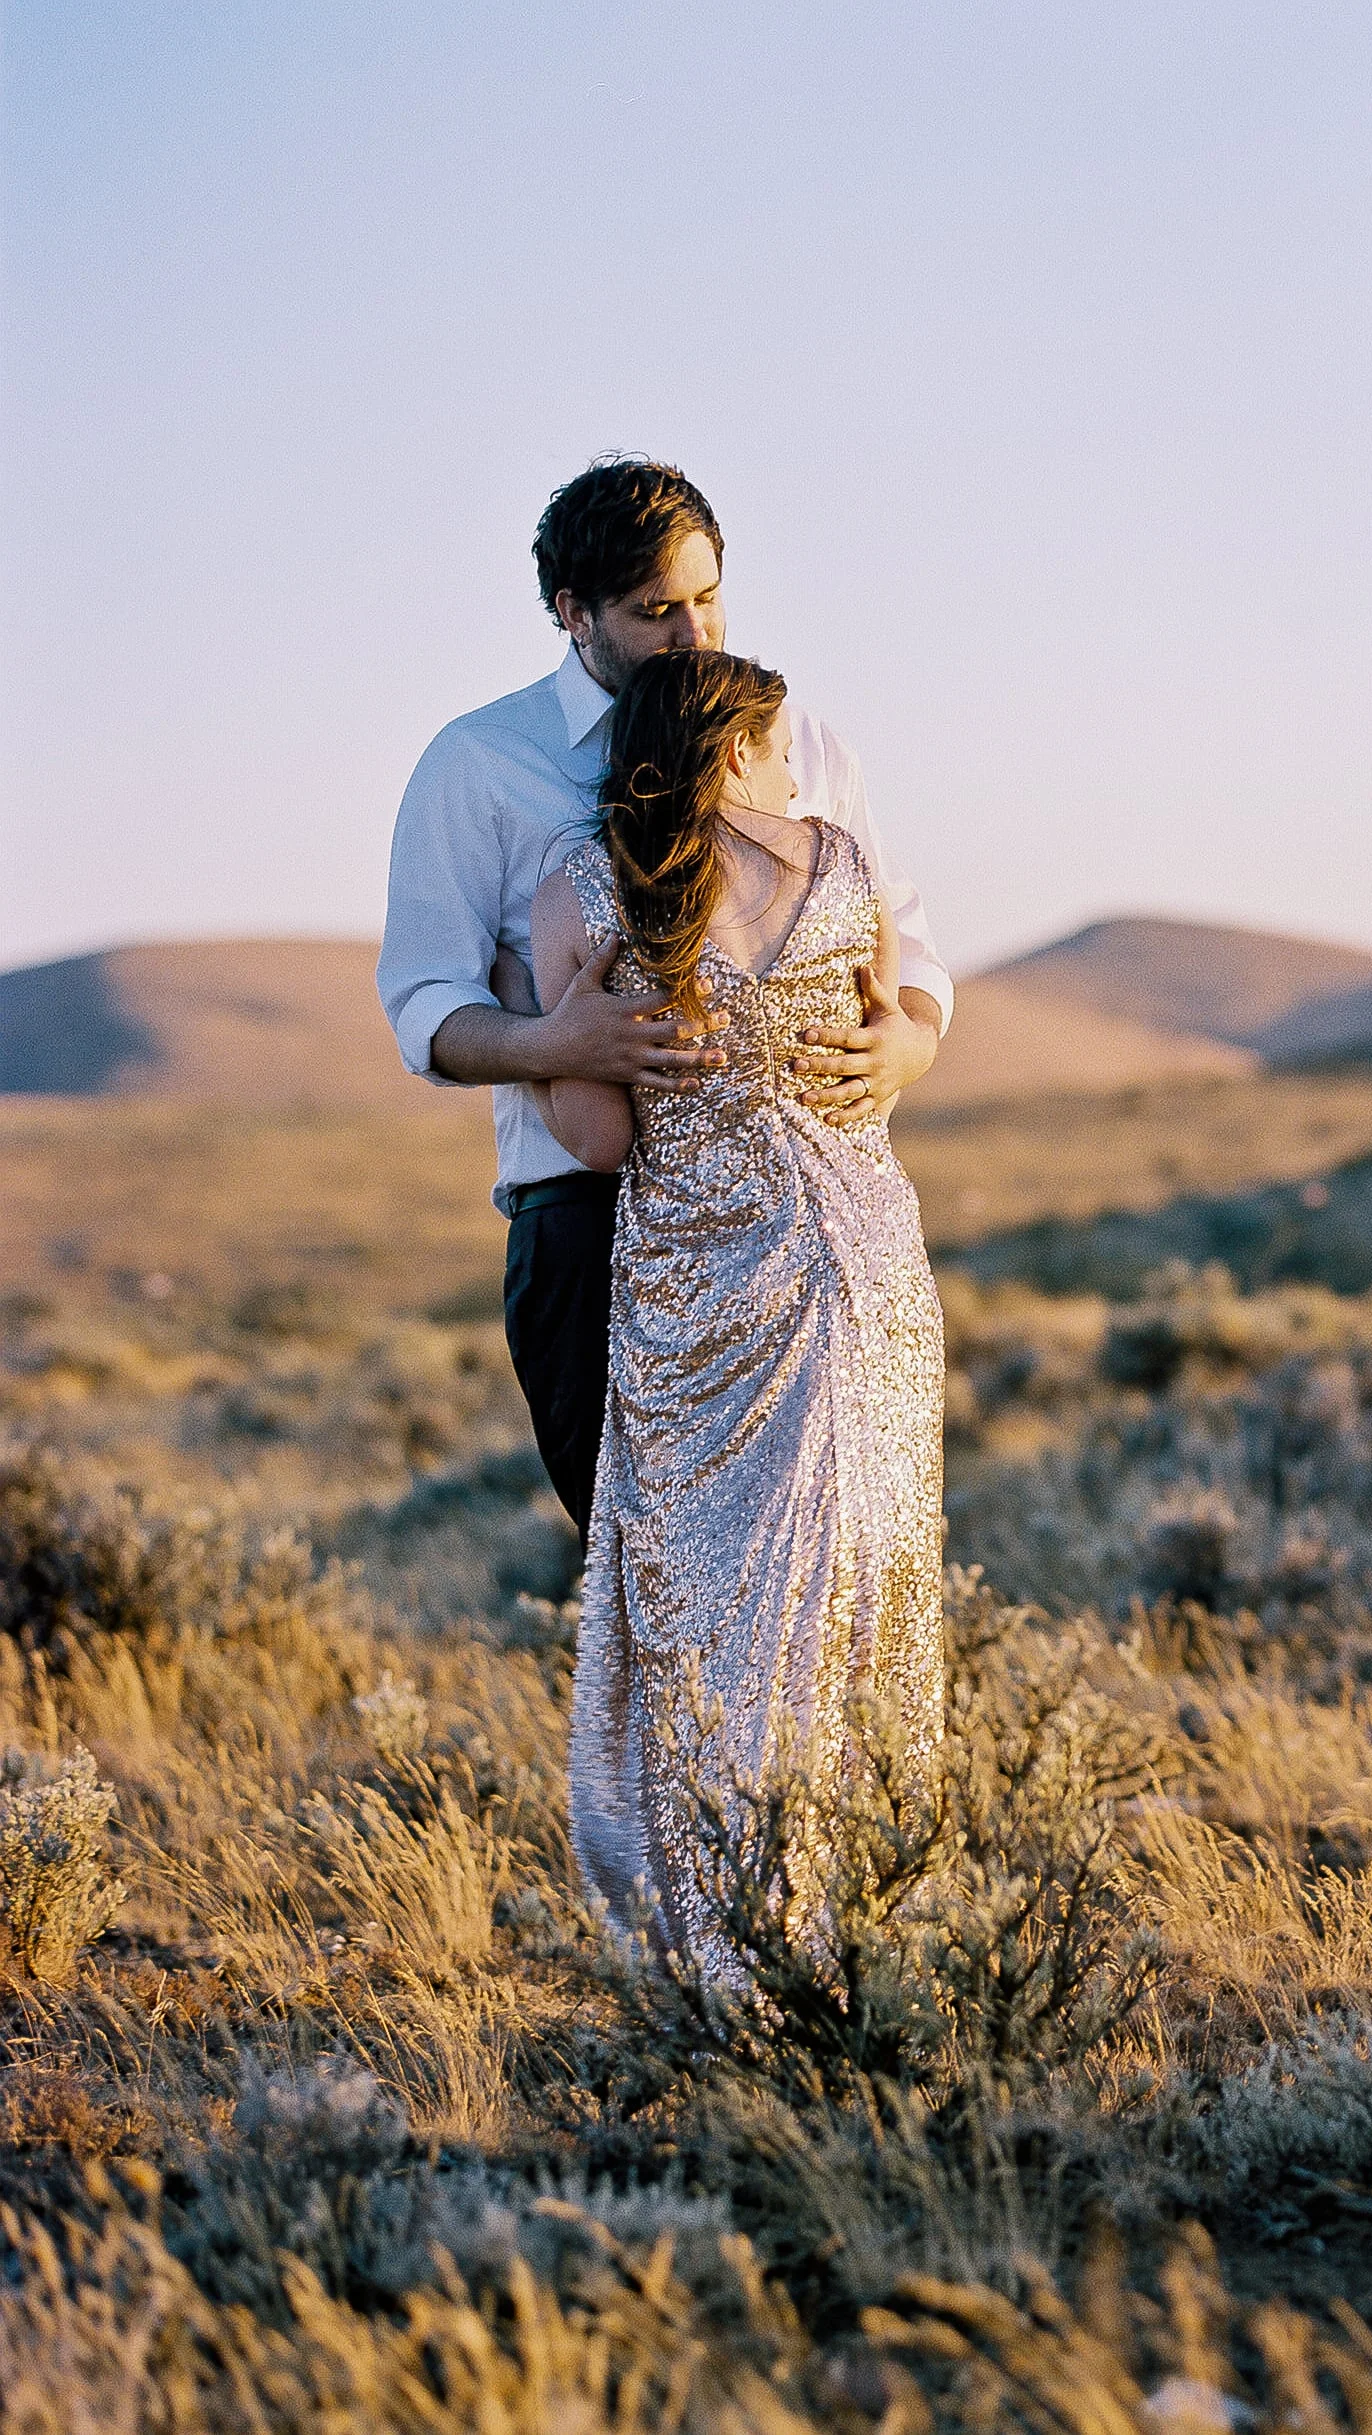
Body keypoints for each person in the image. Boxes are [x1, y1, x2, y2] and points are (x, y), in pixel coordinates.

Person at [375, 459, 951, 1533]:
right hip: (588, 1224)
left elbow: (907, 947)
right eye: (655, 611)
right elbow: (422, 1005)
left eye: (706, 596)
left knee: (831, 1571)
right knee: (660, 1588)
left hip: (807, 1234)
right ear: (572, 614)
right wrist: (554, 1041)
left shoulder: (803, 742)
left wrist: (908, 1043)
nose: (694, 635)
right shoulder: (481, 764)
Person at [526, 647, 943, 1961]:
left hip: (701, 1287)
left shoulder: (584, 895)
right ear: (738, 751)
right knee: (848, 1583)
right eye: (773, 749)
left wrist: (564, 1051)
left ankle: (718, 1916)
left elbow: (595, 1140)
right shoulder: (843, 866)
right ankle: (845, 1912)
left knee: (703, 1597)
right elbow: (885, 1052)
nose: (789, 771)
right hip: (862, 1267)